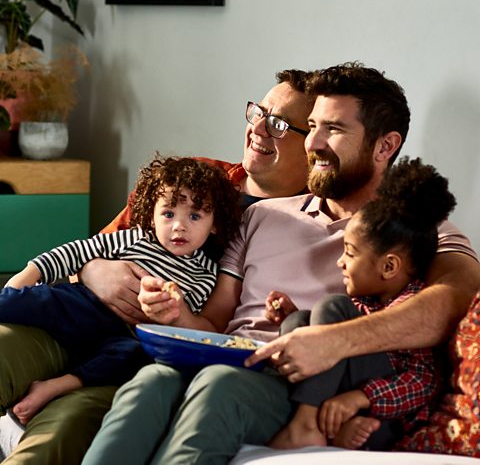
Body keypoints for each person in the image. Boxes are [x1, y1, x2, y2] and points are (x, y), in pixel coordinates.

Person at [81, 63, 480, 465]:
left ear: (384, 146)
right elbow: (215, 323)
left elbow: (453, 301)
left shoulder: (416, 232)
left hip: (302, 385)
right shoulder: (262, 215)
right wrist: (175, 313)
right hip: (228, 358)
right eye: (313, 126)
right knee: (150, 382)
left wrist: (331, 341)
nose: (314, 143)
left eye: (334, 129)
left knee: (221, 386)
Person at [0, 69, 314, 465]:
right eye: (259, 113)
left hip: (133, 356)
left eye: (279, 125)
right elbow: (92, 250)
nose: (258, 130)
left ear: (313, 145)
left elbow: (222, 331)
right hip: (72, 318)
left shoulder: (308, 227)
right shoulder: (191, 177)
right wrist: (96, 271)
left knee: (62, 430)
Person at [0, 155, 241, 426]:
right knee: (35, 300)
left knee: (132, 357)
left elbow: (183, 329)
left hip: (124, 334)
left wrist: (172, 311)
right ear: (152, 214)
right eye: (168, 214)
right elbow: (76, 252)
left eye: (195, 216)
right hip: (85, 306)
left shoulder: (206, 276)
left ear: (215, 223)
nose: (179, 226)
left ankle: (56, 386)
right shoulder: (136, 238)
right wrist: (28, 274)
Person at [267, 156, 456, 451]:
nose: (340, 262)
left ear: (389, 267)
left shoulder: (413, 307)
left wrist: (362, 397)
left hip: (387, 419)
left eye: (350, 253)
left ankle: (305, 424)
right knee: (298, 322)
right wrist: (292, 315)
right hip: (346, 405)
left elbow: (424, 381)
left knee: (333, 308)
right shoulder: (368, 302)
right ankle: (328, 429)